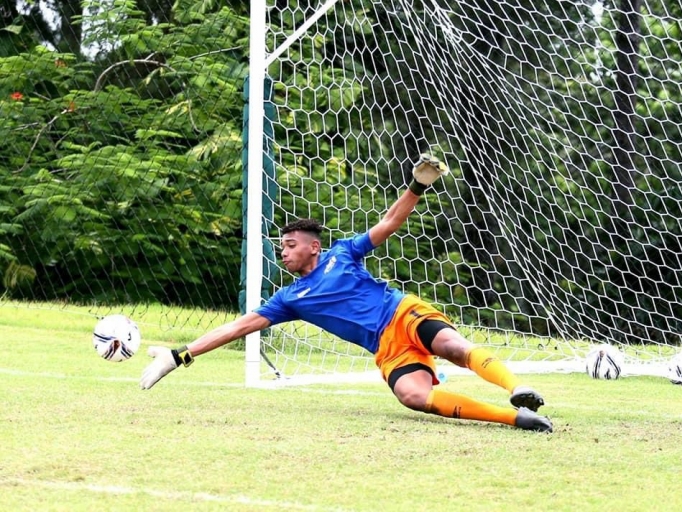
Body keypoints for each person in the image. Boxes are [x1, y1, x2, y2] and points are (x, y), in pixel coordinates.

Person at [140, 154, 553, 433]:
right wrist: (179, 356)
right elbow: (238, 327)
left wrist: (417, 185)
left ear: (313, 246)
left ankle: (514, 387)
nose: (282, 253)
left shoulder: (342, 254)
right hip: (386, 348)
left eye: (289, 246)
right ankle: (515, 418)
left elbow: (389, 222)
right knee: (413, 396)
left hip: (402, 312)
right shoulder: (289, 299)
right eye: (280, 248)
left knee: (452, 346)